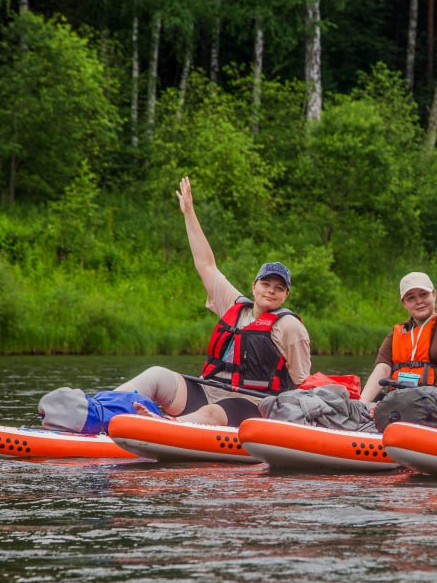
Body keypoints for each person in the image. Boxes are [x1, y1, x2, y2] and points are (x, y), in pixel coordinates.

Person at [114, 176, 312, 426]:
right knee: (156, 375)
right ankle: (99, 408)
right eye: (266, 284)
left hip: (253, 404)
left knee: (212, 413)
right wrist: (189, 213)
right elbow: (206, 264)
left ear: (285, 295)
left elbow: (302, 382)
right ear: (254, 286)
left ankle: (163, 425)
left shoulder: (290, 327)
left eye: (279, 288)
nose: (271, 291)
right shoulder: (235, 306)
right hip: (209, 390)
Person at [359, 208, 437, 404]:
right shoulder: (398, 333)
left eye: (423, 294)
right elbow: (382, 369)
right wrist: (361, 405)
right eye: (411, 297)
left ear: (434, 295)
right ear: (404, 303)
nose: (419, 301)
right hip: (405, 404)